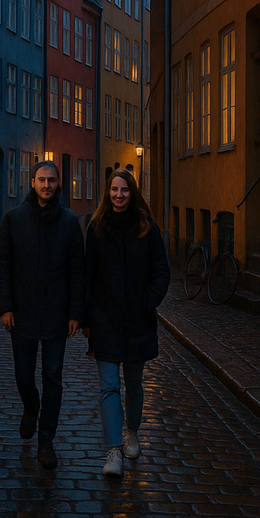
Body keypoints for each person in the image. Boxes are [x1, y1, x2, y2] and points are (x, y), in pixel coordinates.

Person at [0, 160, 85, 469]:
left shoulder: (69, 221)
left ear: (59, 184)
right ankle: (31, 407)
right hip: (22, 313)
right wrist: (6, 306)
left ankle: (46, 440)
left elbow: (77, 270)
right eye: (41, 180)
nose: (47, 185)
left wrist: (76, 313)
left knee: (53, 378)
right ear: (32, 183)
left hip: (57, 315)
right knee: (23, 375)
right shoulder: (14, 219)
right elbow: (2, 265)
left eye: (52, 180)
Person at [84, 168, 170, 478]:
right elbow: (88, 276)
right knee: (109, 387)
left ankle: (132, 431)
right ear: (108, 193)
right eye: (114, 190)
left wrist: (146, 302)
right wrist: (87, 317)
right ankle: (113, 452)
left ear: (132, 193)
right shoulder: (96, 228)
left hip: (138, 322)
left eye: (124, 190)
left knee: (133, 385)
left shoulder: (147, 228)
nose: (119, 195)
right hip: (105, 321)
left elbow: (162, 272)